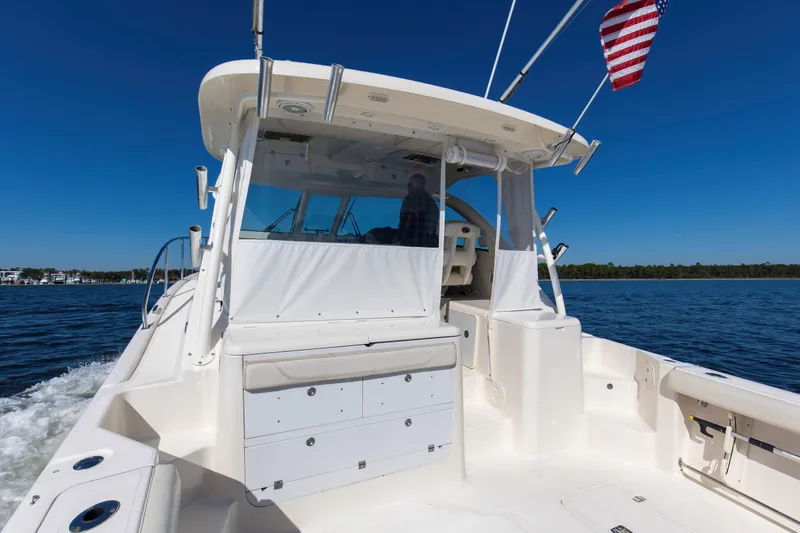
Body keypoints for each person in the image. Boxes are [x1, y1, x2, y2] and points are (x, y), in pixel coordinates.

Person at [394, 173, 438, 247]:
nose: (408, 186)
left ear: (411, 185)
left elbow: (405, 223)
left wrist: (398, 239)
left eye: (409, 184)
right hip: (430, 245)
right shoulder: (431, 201)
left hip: (414, 245)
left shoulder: (410, 199)